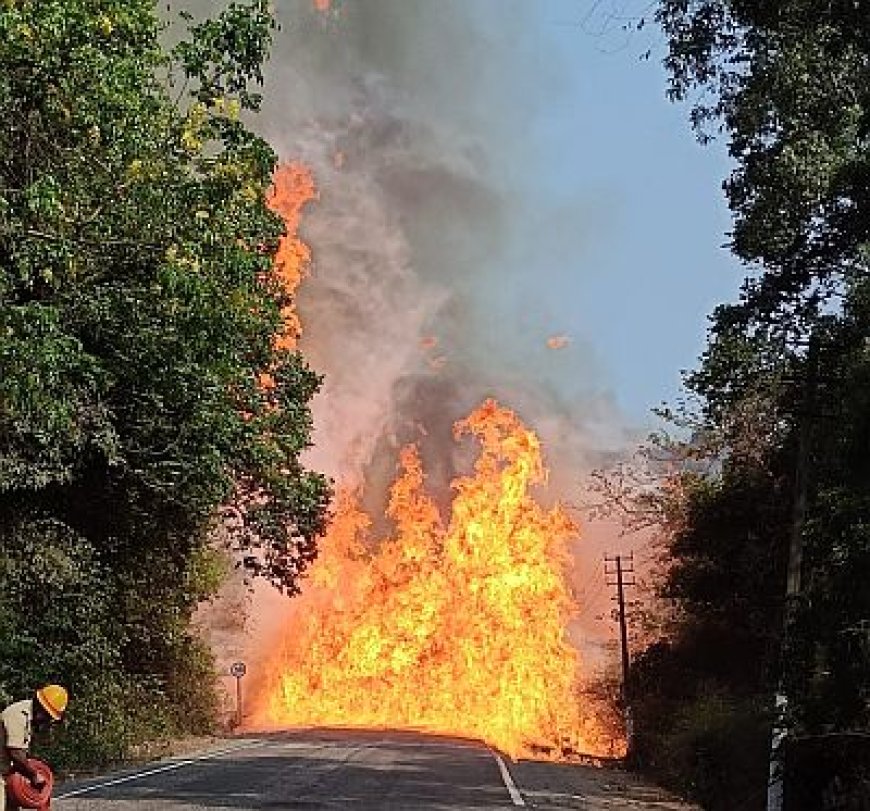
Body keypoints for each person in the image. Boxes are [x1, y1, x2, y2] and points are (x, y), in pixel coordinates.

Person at [0, 685, 68, 810]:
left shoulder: (30, 717)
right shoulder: (19, 715)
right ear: (40, 708)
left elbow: (23, 753)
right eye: (47, 716)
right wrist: (34, 775)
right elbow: (16, 754)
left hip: (8, 774)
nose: (47, 721)